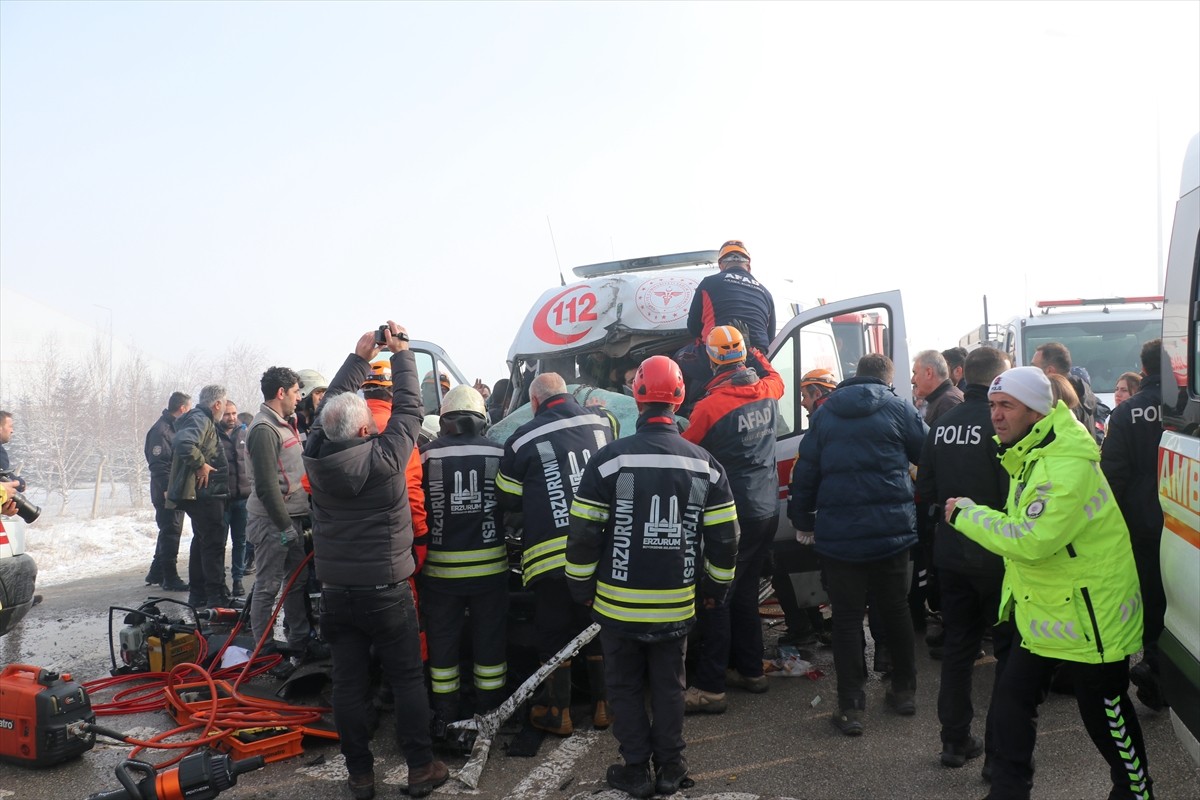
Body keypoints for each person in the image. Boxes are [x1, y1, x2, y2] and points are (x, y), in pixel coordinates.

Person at [946, 366, 1152, 800]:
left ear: (1036, 412)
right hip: (1045, 610)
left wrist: (967, 513)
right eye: (993, 406)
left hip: (1090, 614)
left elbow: (1031, 539)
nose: (996, 416)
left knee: (1106, 714)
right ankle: (1008, 791)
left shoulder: (1062, 463)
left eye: (1007, 406)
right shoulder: (1031, 452)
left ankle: (1135, 792)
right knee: (1011, 704)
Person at [566, 355, 739, 797]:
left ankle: (635, 770)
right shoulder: (705, 465)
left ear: (637, 398)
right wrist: (716, 588)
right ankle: (670, 768)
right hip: (676, 602)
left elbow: (584, 534)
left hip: (617, 603)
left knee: (622, 685)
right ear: (679, 398)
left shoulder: (608, 462)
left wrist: (582, 586)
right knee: (669, 684)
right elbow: (725, 539)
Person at [303, 323, 448, 799]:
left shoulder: (316, 461)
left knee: (348, 684)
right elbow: (411, 407)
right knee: (407, 679)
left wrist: (358, 357)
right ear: (366, 429)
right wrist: (402, 353)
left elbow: (326, 416)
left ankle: (360, 776)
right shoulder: (387, 458)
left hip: (337, 592)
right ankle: (420, 768)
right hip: (387, 591)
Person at [788, 354, 928, 736]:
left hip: (840, 536)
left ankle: (850, 706)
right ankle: (903, 691)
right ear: (888, 378)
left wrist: (802, 521)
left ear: (854, 376)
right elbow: (927, 457)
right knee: (896, 609)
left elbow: (806, 473)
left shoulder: (825, 415)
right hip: (892, 532)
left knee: (847, 619)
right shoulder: (901, 409)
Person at [496, 371, 618, 736]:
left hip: (550, 560)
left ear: (534, 402)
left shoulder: (522, 440)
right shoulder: (602, 424)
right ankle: (603, 706)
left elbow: (508, 498)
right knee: (596, 627)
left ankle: (558, 712)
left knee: (553, 633)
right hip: (598, 552)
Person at [915, 347, 1012, 771]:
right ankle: (999, 754)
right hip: (998, 553)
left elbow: (928, 488)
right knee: (1007, 654)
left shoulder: (942, 423)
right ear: (996, 379)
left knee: (958, 650)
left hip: (952, 553)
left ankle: (954, 741)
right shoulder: (1003, 424)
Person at [681, 325, 783, 712]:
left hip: (731, 515)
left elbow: (682, 447)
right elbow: (774, 376)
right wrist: (757, 352)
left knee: (717, 595)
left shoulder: (709, 407)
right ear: (741, 356)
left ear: (711, 360)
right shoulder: (768, 390)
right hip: (767, 509)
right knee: (744, 591)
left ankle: (709, 686)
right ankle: (751, 669)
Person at [418, 385, 508, 732]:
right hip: (490, 572)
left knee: (442, 644)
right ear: (481, 419)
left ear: (444, 420)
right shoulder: (499, 453)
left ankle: (445, 714)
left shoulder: (426, 456)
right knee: (490, 642)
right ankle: (490, 713)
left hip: (440, 574)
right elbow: (512, 502)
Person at [1102, 340, 1166, 711]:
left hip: (1143, 523)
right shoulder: (1188, 405)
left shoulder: (1126, 413)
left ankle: (1154, 664)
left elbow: (1113, 476)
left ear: (1142, 370)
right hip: (1188, 516)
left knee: (1153, 598)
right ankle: (1158, 667)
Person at [246, 367, 316, 661]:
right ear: (281, 393)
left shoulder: (284, 424)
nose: (299, 398)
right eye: (296, 392)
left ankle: (299, 638)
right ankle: (263, 649)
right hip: (273, 521)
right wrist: (284, 525)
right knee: (268, 585)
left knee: (295, 581)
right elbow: (266, 486)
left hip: (291, 518)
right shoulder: (265, 429)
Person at [167, 385, 231, 609]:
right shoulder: (200, 418)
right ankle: (216, 596)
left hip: (204, 494)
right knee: (213, 543)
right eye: (224, 405)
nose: (224, 410)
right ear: (217, 404)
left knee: (202, 542)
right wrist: (201, 464)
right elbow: (183, 443)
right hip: (205, 495)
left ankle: (200, 593)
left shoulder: (200, 418)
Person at [687, 240, 776, 350]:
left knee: (678, 357)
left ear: (721, 265)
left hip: (718, 353)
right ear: (748, 266)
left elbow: (693, 328)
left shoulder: (709, 282)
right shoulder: (766, 293)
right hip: (756, 357)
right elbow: (771, 339)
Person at [143, 393, 191, 591]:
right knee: (171, 531)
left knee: (168, 529)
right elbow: (159, 464)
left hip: (173, 487)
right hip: (167, 490)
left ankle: (156, 571)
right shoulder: (161, 431)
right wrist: (166, 489)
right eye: (188, 408)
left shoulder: (172, 427)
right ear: (182, 408)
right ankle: (170, 578)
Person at [1032, 342, 1100, 442]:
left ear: (1050, 371)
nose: (1031, 372)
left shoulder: (1061, 400)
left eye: (1034, 367)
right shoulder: (1082, 391)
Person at [218, 401, 252, 598]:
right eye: (226, 414)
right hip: (222, 499)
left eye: (233, 413)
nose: (231, 417)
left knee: (240, 541)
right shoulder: (213, 435)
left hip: (243, 498)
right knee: (219, 542)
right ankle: (220, 580)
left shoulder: (244, 433)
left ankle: (238, 579)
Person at [912, 349, 963, 424]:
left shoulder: (948, 403)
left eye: (915, 373)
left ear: (929, 373)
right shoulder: (942, 399)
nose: (912, 380)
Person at [294, 369, 328, 440]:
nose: (322, 398)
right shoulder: (291, 424)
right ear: (304, 395)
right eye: (317, 393)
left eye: (324, 393)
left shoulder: (322, 422)